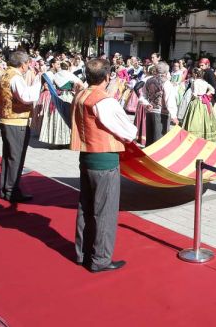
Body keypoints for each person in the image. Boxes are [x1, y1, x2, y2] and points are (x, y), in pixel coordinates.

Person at [71, 58, 137, 273]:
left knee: (86, 208)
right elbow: (129, 132)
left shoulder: (81, 95)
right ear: (107, 77)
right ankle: (100, 259)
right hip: (104, 159)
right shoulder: (105, 101)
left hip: (86, 156)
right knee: (105, 211)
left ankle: (82, 253)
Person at [0, 51, 42, 202]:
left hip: (6, 120)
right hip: (16, 121)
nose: (28, 66)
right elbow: (26, 97)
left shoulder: (4, 75)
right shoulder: (15, 78)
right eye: (27, 63)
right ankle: (12, 190)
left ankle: (6, 188)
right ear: (23, 64)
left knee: (8, 157)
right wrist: (38, 83)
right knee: (15, 158)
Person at [40, 61, 83, 146]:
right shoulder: (71, 75)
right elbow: (81, 85)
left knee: (58, 117)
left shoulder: (56, 75)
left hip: (57, 96)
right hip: (68, 97)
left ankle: (57, 141)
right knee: (68, 116)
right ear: (68, 67)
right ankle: (67, 140)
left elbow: (48, 82)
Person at [143, 62, 179, 146]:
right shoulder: (166, 83)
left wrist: (146, 104)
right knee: (159, 139)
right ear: (166, 72)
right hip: (161, 113)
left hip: (150, 111)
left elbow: (143, 95)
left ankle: (148, 155)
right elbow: (169, 100)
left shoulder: (148, 80)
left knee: (150, 137)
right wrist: (174, 116)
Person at [182, 67, 216, 142]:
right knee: (204, 117)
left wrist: (193, 96)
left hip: (197, 101)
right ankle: (204, 133)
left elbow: (195, 93)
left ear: (195, 74)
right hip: (204, 101)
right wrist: (205, 94)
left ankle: (194, 133)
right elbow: (212, 89)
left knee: (195, 117)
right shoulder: (205, 82)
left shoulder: (195, 82)